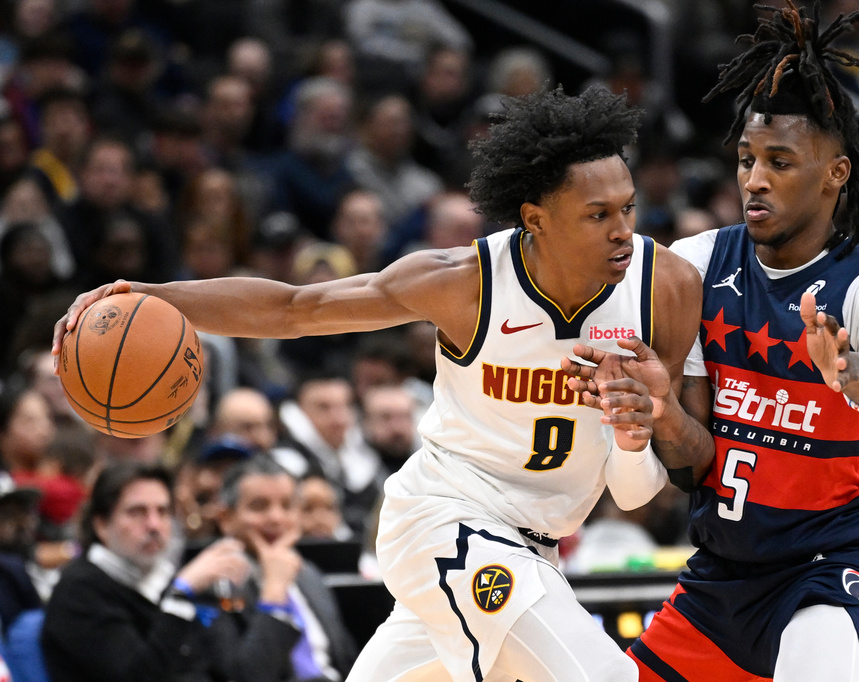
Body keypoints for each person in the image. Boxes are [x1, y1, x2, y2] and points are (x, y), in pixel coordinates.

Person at [52, 84, 711, 681]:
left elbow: (640, 489)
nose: (624, 230)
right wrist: (149, 294)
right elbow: (295, 308)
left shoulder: (666, 289)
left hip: (539, 548)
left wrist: (642, 426)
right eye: (598, 215)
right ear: (535, 218)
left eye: (629, 208)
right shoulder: (464, 283)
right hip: (446, 521)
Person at [567, 5, 859, 681]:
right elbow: (692, 465)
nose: (754, 179)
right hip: (721, 579)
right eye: (746, 159)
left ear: (835, 173)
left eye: (779, 162)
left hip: (830, 567)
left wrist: (851, 371)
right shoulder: (696, 263)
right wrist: (662, 414)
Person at [41, 461, 251, 682]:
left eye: (162, 512)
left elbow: (218, 667)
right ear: (101, 525)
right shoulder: (80, 590)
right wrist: (180, 596)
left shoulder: (162, 576)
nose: (154, 525)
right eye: (136, 512)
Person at [209, 456, 358, 681]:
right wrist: (275, 591)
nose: (276, 518)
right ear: (225, 518)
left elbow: (349, 661)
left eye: (287, 506)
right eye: (259, 506)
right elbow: (248, 677)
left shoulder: (309, 574)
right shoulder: (215, 587)